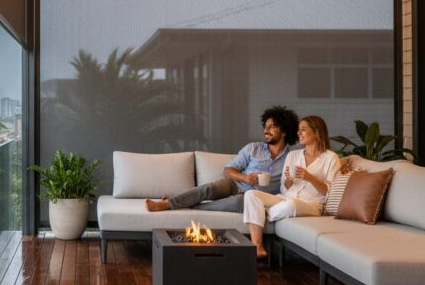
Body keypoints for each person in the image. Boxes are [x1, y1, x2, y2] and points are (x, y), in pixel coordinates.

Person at [145, 106, 299, 213]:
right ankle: (167, 203)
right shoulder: (253, 148)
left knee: (239, 202)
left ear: (284, 131)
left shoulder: (291, 158)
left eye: (271, 127)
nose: (266, 130)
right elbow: (228, 170)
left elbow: (288, 185)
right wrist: (245, 177)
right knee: (209, 189)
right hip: (235, 184)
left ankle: (191, 206)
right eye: (265, 126)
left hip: (256, 197)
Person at [243, 115, 340, 258]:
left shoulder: (331, 158)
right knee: (251, 194)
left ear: (317, 132)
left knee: (292, 204)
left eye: (303, 130)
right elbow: (284, 188)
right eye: (298, 130)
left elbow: (329, 193)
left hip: (312, 205)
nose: (298, 133)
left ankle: (259, 215)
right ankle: (258, 247)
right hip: (285, 198)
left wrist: (310, 178)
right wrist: (288, 181)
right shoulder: (293, 155)